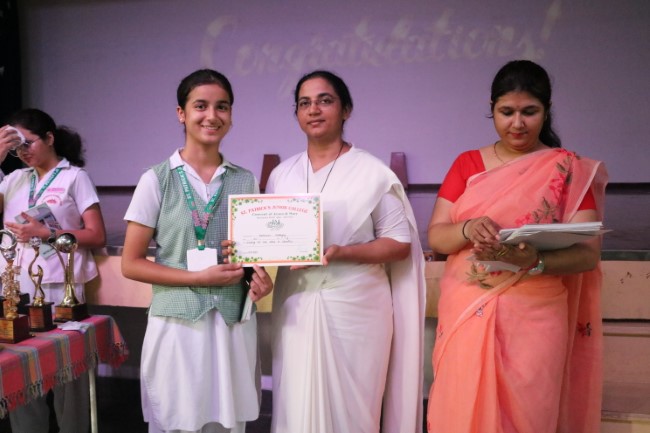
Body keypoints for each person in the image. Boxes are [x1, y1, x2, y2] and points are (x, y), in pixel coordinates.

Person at [425, 60, 608, 433]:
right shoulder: (468, 163)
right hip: (468, 307)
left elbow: (588, 254)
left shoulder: (566, 169)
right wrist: (467, 228)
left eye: (530, 112)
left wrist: (535, 261)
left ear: (547, 110)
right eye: (506, 112)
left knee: (529, 415)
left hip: (536, 318)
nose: (518, 123)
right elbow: (437, 235)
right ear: (491, 109)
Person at [266, 70, 426, 433]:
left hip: (357, 308)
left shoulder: (373, 173)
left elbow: (399, 244)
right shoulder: (282, 175)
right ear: (297, 114)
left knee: (354, 413)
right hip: (296, 304)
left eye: (325, 100)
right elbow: (270, 238)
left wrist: (344, 252)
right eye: (304, 103)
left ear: (346, 110)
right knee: (295, 405)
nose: (314, 110)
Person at [121, 69, 273, 433]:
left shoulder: (245, 179)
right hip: (178, 327)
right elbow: (131, 263)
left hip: (231, 324)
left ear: (231, 115)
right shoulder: (156, 179)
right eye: (201, 106)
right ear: (181, 113)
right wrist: (197, 277)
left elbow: (249, 256)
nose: (212, 115)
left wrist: (259, 279)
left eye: (222, 107)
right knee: (178, 419)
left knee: (227, 423)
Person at [0, 108, 107, 433]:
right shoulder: (15, 179)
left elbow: (96, 235)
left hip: (61, 287)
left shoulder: (74, 177)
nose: (23, 153)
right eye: (16, 148)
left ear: (49, 138)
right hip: (17, 287)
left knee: (67, 374)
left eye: (28, 143)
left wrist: (47, 233)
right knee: (21, 373)